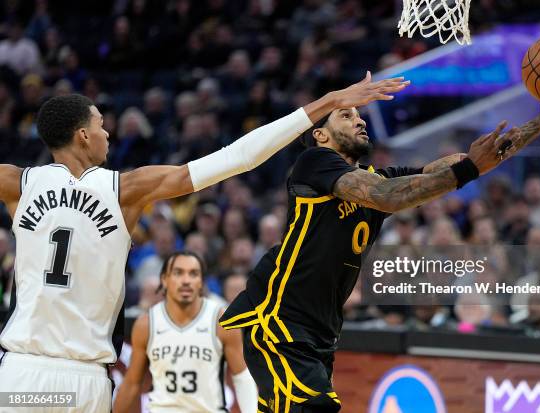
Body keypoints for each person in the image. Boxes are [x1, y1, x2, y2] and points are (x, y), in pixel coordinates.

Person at [0, 72, 406, 412]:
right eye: (102, 124)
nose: (108, 132)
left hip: (19, 371)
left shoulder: (16, 183)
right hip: (83, 376)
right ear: (84, 136)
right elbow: (236, 157)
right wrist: (327, 101)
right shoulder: (125, 188)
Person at [220, 79, 540, 412]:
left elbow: (465, 162)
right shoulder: (315, 163)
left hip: (317, 329)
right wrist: (468, 170)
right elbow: (389, 197)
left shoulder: (375, 177)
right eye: (347, 116)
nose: (360, 120)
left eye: (359, 115)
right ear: (320, 134)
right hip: (279, 321)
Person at [113, 252, 257, 412]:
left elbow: (242, 378)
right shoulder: (147, 324)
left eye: (193, 274)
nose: (186, 280)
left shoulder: (220, 320)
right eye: (178, 273)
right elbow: (132, 383)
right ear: (164, 280)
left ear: (201, 282)